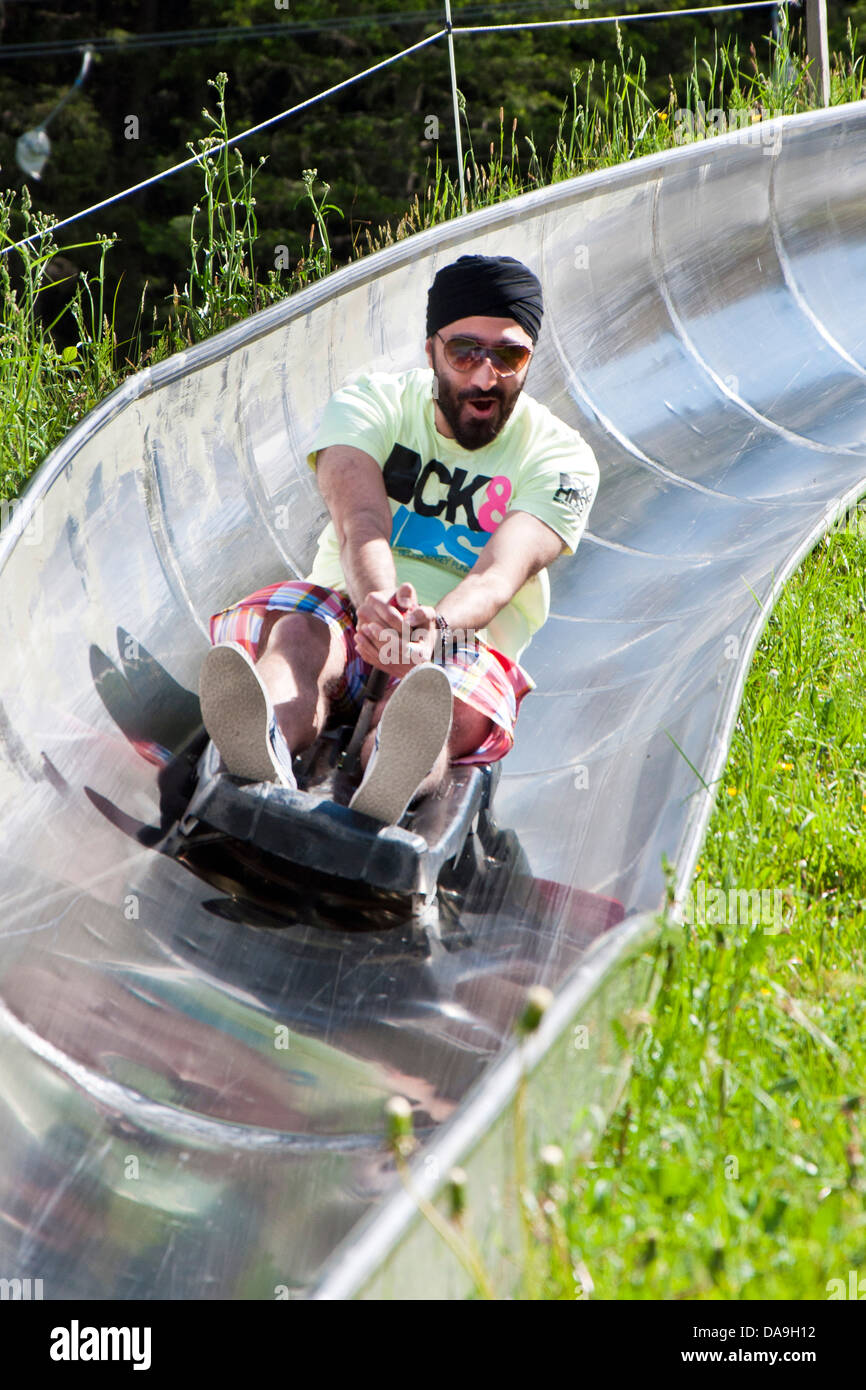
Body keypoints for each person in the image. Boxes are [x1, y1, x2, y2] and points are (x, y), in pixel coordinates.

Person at [200, 254, 599, 825]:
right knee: (299, 634)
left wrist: (431, 629)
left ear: (529, 361)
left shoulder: (562, 458)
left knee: (437, 695)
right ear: (431, 348)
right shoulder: (372, 404)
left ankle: (395, 766)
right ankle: (264, 733)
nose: (485, 377)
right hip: (353, 606)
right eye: (466, 352)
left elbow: (497, 575)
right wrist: (380, 607)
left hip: (464, 637)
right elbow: (360, 520)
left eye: (508, 356)